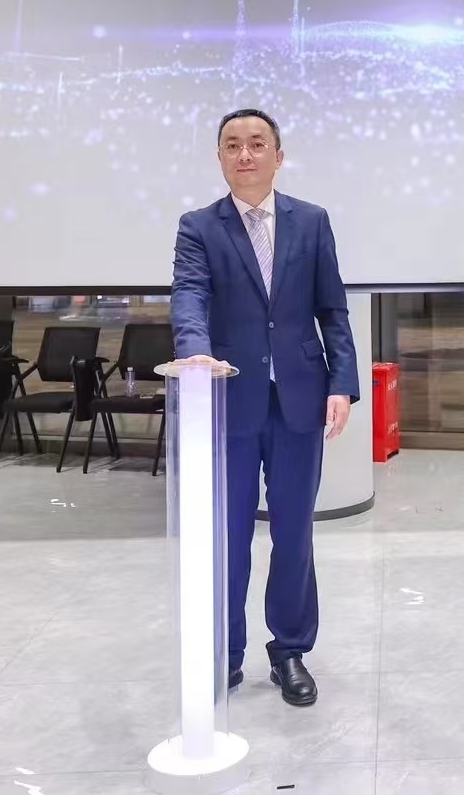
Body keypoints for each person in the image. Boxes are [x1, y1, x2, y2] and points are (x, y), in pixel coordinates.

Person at [171, 108, 358, 706]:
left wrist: (341, 383)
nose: (245, 154)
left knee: (294, 534)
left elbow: (332, 310)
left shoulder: (312, 221)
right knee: (226, 536)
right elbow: (190, 296)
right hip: (228, 399)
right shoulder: (199, 226)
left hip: (300, 398)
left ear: (279, 156)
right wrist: (195, 356)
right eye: (232, 145)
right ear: (220, 158)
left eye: (257, 144)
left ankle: (290, 651)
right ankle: (223, 655)